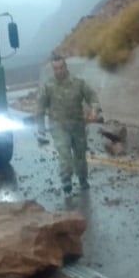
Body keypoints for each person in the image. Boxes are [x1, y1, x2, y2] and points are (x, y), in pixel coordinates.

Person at [36, 54, 102, 196]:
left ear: (65, 66)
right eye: (56, 68)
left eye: (61, 67)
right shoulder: (48, 86)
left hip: (77, 124)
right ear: (53, 69)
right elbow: (40, 108)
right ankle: (66, 183)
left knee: (80, 155)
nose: (59, 71)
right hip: (58, 125)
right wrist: (40, 129)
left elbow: (92, 97)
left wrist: (94, 110)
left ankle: (83, 179)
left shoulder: (78, 83)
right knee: (65, 154)